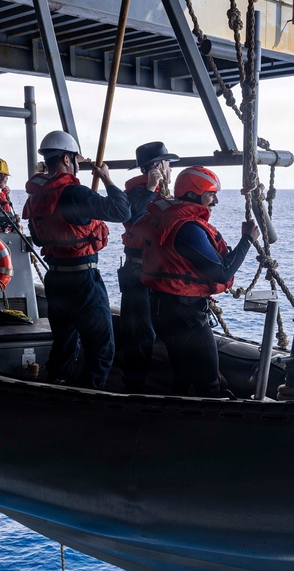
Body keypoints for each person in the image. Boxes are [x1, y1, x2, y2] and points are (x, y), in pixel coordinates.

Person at [22, 130, 131, 389]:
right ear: (68, 159)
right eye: (76, 162)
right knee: (102, 349)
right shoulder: (75, 193)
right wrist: (106, 179)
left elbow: (38, 240)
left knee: (64, 343)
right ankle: (87, 400)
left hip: (56, 279)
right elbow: (122, 211)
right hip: (83, 279)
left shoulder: (37, 195)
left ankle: (57, 390)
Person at [138, 166, 258, 397]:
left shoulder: (170, 219)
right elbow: (222, 274)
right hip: (185, 317)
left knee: (182, 377)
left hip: (165, 309)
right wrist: (247, 240)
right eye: (211, 194)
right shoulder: (187, 229)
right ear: (194, 194)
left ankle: (174, 422)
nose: (215, 201)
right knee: (209, 382)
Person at [118, 141, 179, 392]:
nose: (170, 170)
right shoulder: (137, 194)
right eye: (167, 164)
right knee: (140, 335)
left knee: (159, 330)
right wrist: (151, 188)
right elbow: (131, 219)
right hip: (138, 274)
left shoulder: (161, 196)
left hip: (157, 274)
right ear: (157, 167)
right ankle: (134, 389)